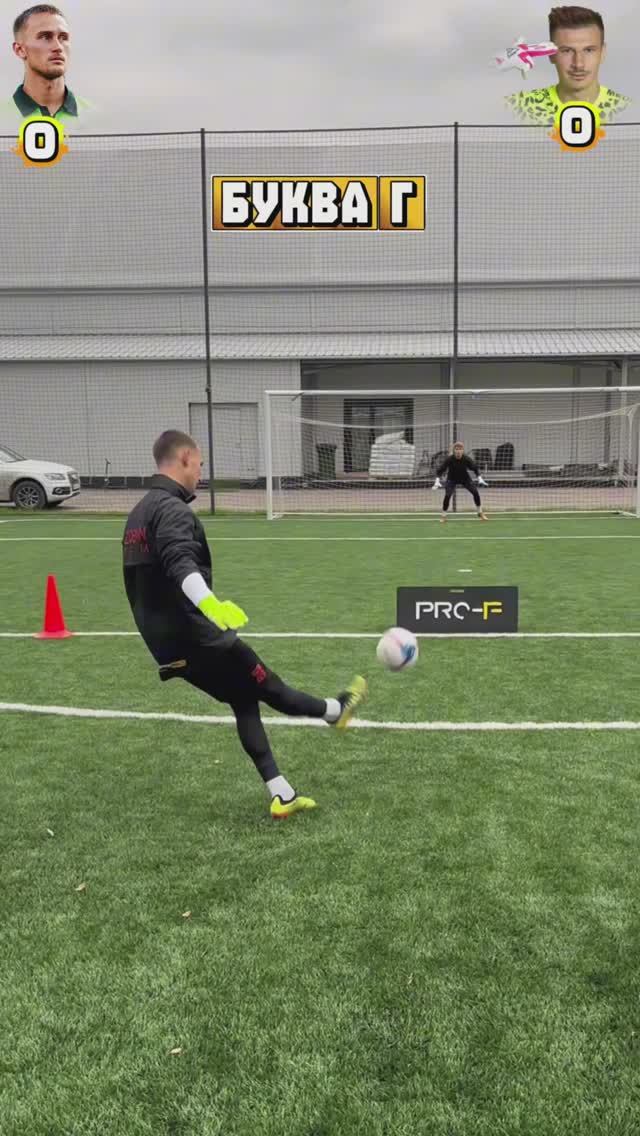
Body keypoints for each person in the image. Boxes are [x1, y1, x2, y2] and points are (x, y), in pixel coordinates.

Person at [122, 430, 367, 820]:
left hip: (166, 647)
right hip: (200, 638)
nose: (200, 473)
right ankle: (337, 711)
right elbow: (179, 562)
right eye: (200, 464)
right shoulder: (172, 510)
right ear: (184, 458)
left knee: (243, 698)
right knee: (271, 687)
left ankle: (281, 793)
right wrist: (210, 605)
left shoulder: (137, 514)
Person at [505, 6, 631, 125]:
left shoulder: (626, 109)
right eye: (567, 51)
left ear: (603, 53)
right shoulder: (518, 108)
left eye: (589, 50)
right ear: (550, 54)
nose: (578, 64)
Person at [7, 5, 92, 123]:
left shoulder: (93, 116)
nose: (58, 47)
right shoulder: (4, 117)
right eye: (45, 37)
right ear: (20, 50)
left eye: (63, 38)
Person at [432, 442, 488, 522]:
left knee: (475, 492)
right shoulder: (449, 459)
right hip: (451, 479)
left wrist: (480, 478)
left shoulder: (466, 459)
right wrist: (437, 480)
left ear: (462, 450)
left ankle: (480, 512)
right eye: (456, 449)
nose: (458, 451)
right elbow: (440, 470)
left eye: (460, 449)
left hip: (465, 479)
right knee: (447, 495)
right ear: (454, 450)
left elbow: (475, 468)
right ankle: (443, 516)